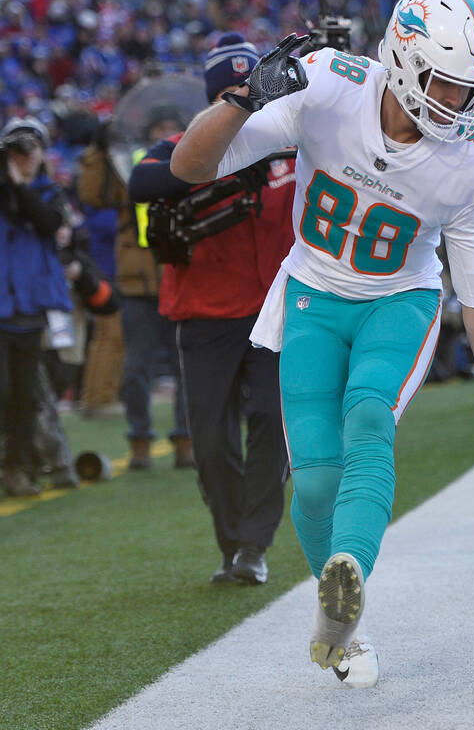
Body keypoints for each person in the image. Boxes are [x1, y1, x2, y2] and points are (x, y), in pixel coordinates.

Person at [170, 0, 474, 688]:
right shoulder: (330, 86)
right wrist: (243, 99)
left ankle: (349, 570)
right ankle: (343, 628)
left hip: (399, 302)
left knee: (368, 419)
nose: (462, 104)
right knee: (317, 482)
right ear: (406, 61)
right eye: (449, 84)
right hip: (314, 296)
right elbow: (190, 167)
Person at [128, 34, 296, 586]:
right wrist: (213, 166)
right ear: (211, 99)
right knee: (209, 440)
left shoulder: (287, 145)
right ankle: (231, 542)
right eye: (231, 92)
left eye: (253, 91)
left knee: (274, 421)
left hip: (273, 310)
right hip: (204, 312)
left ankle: (254, 545)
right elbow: (141, 182)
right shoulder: (183, 147)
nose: (245, 102)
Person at [77, 106, 192, 471]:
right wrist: (98, 149)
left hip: (179, 276)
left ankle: (184, 441)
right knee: (137, 367)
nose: (164, 130)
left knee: (183, 367)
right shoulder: (127, 164)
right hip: (138, 283)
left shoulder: (189, 157)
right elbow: (91, 193)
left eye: (170, 124)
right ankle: (139, 440)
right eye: (158, 125)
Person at [0, 117, 75, 497]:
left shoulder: (49, 193)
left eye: (32, 149)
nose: (25, 156)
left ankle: (19, 467)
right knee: (4, 390)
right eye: (17, 149)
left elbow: (47, 224)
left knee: (25, 395)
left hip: (30, 307)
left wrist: (18, 182)